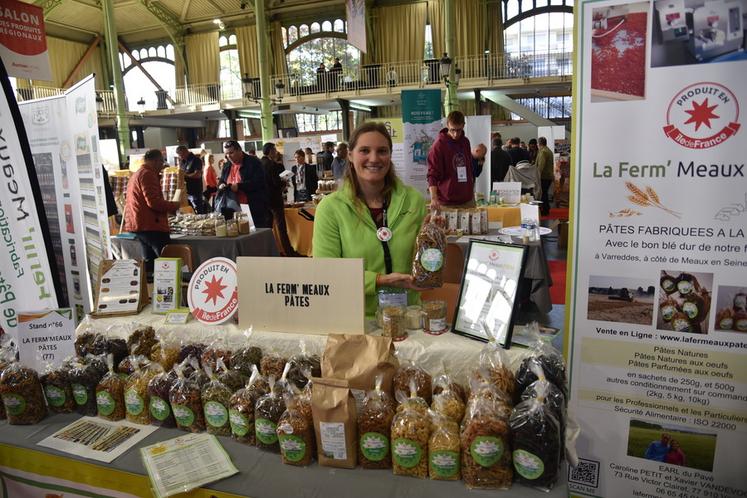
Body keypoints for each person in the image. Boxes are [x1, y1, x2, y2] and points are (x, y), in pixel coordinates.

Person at [313, 122, 428, 316]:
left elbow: (423, 261)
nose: (374, 158)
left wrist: (434, 243)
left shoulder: (413, 200)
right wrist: (380, 280)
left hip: (408, 316)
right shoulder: (330, 209)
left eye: (382, 151)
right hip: (355, 319)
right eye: (364, 150)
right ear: (350, 155)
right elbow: (327, 272)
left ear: (390, 156)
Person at [123, 149, 181, 271]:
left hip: (140, 224)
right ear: (155, 161)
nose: (162, 166)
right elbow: (153, 202)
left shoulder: (137, 174)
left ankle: (150, 287)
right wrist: (173, 206)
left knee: (150, 264)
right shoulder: (148, 174)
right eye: (161, 161)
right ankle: (170, 288)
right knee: (167, 264)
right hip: (152, 225)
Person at [426, 110, 486, 210]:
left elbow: (469, 168)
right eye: (452, 130)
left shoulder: (465, 142)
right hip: (447, 203)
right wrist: (433, 198)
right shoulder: (439, 145)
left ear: (463, 125)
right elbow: (432, 174)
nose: (455, 134)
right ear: (447, 125)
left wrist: (479, 159)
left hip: (467, 200)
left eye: (458, 130)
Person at [219, 140, 272, 228]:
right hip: (232, 208)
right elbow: (222, 180)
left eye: (231, 153)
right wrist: (221, 185)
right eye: (226, 154)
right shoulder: (227, 165)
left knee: (255, 234)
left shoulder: (254, 162)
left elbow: (259, 183)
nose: (229, 156)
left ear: (239, 150)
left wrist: (239, 186)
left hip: (253, 207)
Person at [260, 142, 297, 256]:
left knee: (267, 228)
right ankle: (288, 251)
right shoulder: (272, 165)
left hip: (264, 201)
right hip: (275, 200)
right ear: (270, 151)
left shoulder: (259, 163)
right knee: (281, 228)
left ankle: (268, 252)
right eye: (275, 150)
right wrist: (284, 183)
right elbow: (276, 183)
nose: (276, 152)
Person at [176, 145, 205, 213]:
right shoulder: (182, 162)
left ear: (186, 151)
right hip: (185, 192)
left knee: (198, 211)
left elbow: (198, 175)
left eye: (181, 154)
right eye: (179, 155)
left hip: (195, 191)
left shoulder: (196, 160)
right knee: (189, 212)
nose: (180, 156)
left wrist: (185, 175)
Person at [536, 136, 555, 215]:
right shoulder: (549, 151)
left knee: (543, 193)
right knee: (545, 193)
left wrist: (537, 175)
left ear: (539, 143)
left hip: (544, 176)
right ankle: (546, 209)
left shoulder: (543, 152)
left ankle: (545, 210)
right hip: (548, 176)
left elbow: (541, 165)